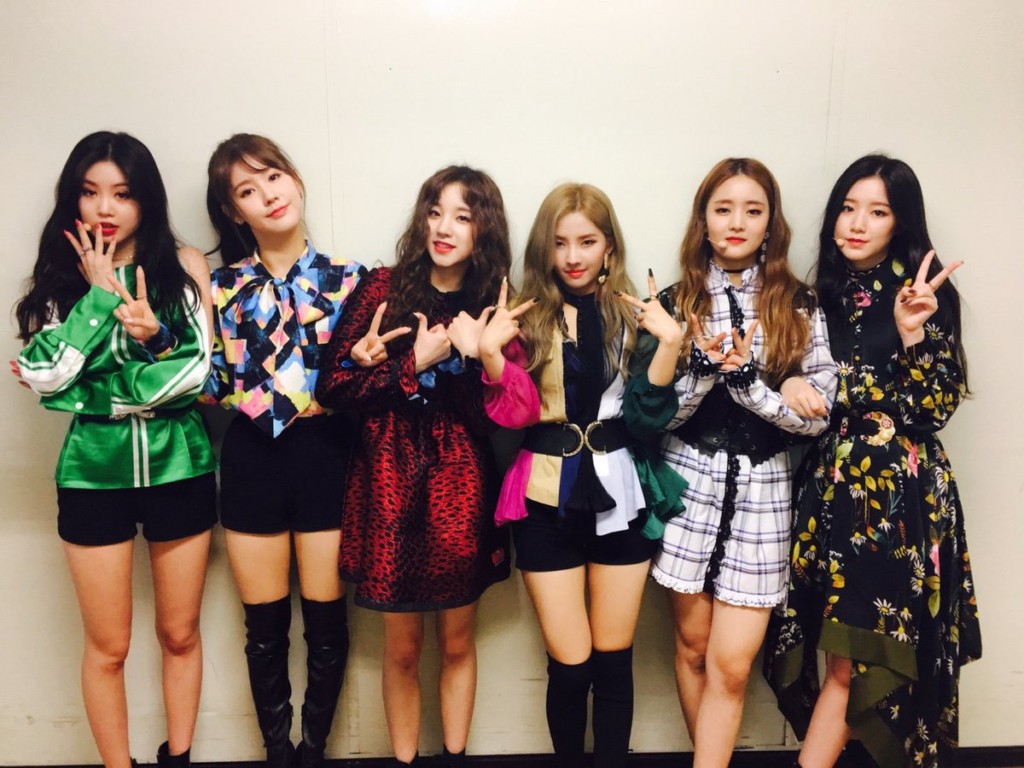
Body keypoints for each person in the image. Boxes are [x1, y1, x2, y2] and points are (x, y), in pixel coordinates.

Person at [764, 155, 981, 768]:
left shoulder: (926, 294)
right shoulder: (816, 297)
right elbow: (787, 381)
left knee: (857, 660)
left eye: (877, 212)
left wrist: (912, 332)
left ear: (900, 222)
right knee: (840, 653)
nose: (857, 224)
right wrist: (787, 384)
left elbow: (934, 409)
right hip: (829, 492)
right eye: (848, 208)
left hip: (897, 500)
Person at [623, 158, 837, 768]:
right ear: (704, 220)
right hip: (689, 486)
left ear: (771, 222)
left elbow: (817, 418)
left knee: (732, 667)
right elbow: (653, 418)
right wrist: (697, 368)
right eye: (723, 209)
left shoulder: (798, 304)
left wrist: (750, 384)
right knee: (693, 650)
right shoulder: (675, 302)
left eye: (752, 209)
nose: (737, 222)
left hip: (764, 494)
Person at [12, 131, 216, 768]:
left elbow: (195, 376)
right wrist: (99, 298)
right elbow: (44, 377)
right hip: (91, 478)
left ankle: (178, 758)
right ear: (73, 198)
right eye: (91, 192)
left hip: (179, 467)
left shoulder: (183, 266)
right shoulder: (58, 281)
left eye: (122, 194)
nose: (105, 208)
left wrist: (144, 351)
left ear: (145, 200)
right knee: (108, 648)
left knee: (179, 633)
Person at [476, 182, 684, 768]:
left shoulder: (636, 315)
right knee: (570, 667)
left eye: (587, 241)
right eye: (560, 242)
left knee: (614, 664)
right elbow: (514, 415)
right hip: (544, 499)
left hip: (622, 495)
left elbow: (646, 419)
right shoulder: (522, 317)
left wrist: (669, 344)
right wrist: (491, 357)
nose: (572, 256)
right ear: (544, 248)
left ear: (609, 246)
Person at [315, 165, 514, 768]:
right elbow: (331, 389)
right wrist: (411, 365)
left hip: (461, 480)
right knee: (401, 648)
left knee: (457, 641)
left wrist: (482, 356)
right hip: (388, 479)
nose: (444, 228)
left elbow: (500, 415)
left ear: (483, 229)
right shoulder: (382, 288)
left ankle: (453, 758)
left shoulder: (492, 303)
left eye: (462, 216)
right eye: (435, 212)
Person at [202, 134, 365, 768]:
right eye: (247, 190)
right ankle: (277, 752)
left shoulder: (352, 281)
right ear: (233, 212)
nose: (268, 194)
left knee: (326, 624)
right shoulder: (220, 288)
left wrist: (366, 367)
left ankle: (314, 749)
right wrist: (162, 342)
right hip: (252, 457)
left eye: (272, 176)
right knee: (264, 629)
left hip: (326, 453)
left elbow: (365, 384)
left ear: (294, 179)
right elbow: (212, 384)